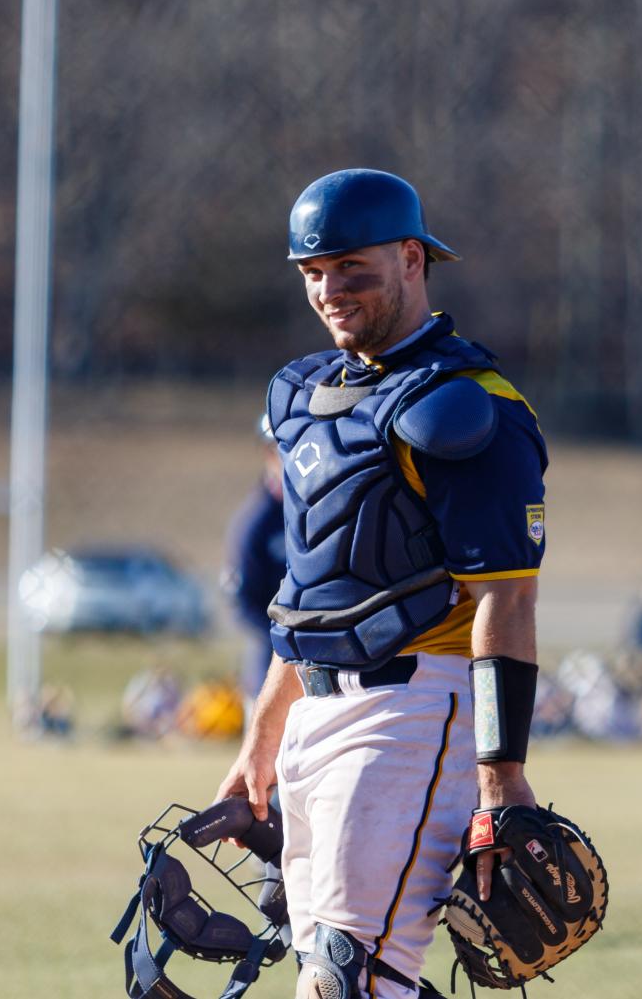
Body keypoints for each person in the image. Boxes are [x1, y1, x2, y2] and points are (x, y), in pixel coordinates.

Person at [212, 169, 549, 999]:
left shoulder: (464, 406)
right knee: (343, 968)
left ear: (410, 258)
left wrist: (500, 775)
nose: (329, 289)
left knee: (345, 975)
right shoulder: (302, 396)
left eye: (351, 268)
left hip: (415, 708)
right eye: (312, 272)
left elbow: (506, 597)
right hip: (315, 716)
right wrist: (262, 734)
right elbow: (311, 591)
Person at [221, 416, 288, 700]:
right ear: (269, 453)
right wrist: (284, 642)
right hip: (269, 670)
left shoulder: (320, 511)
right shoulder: (256, 522)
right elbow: (241, 600)